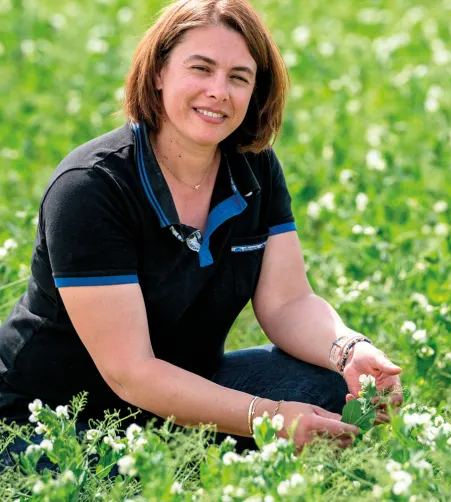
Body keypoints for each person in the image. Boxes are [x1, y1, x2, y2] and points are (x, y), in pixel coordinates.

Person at [0, 0, 403, 473]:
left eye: (238, 77)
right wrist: (267, 419)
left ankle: (203, 455)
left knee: (331, 385)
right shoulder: (91, 187)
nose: (218, 91)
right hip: (55, 418)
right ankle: (203, 462)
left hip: (184, 393)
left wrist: (348, 350)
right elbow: (132, 372)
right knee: (128, 472)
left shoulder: (253, 167)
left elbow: (288, 303)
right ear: (158, 73)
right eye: (201, 68)